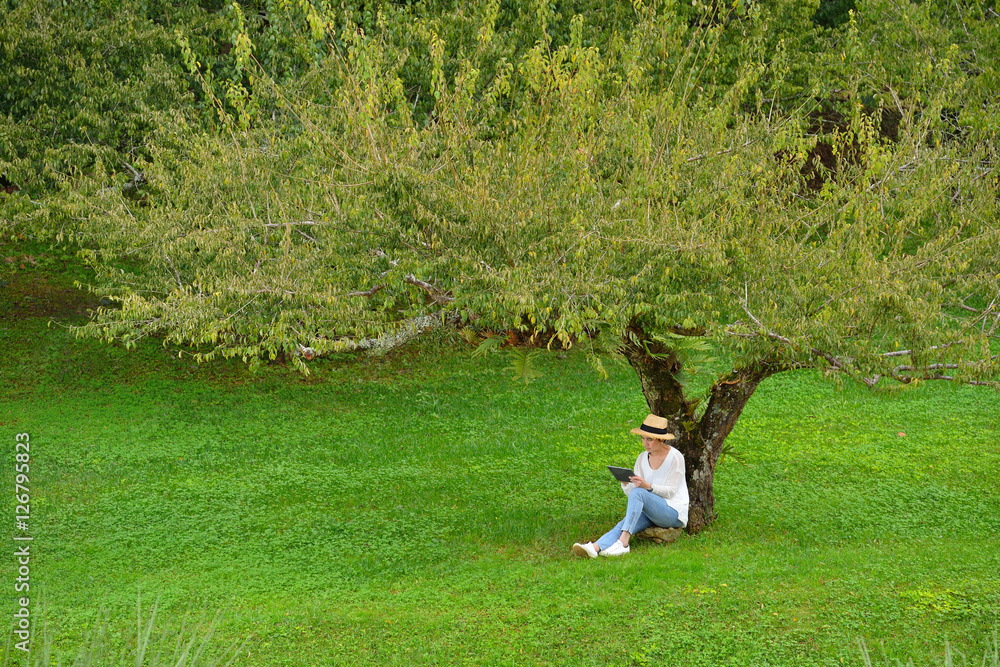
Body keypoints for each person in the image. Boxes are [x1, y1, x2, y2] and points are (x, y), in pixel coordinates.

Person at [573, 414, 689, 558]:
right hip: (651, 511)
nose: (645, 443)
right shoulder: (642, 458)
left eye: (650, 439)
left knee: (639, 493)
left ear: (662, 439)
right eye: (643, 438)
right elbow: (634, 496)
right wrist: (626, 484)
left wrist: (648, 486)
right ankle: (594, 548)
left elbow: (671, 492)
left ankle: (623, 544)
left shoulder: (675, 457)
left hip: (673, 512)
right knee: (625, 522)